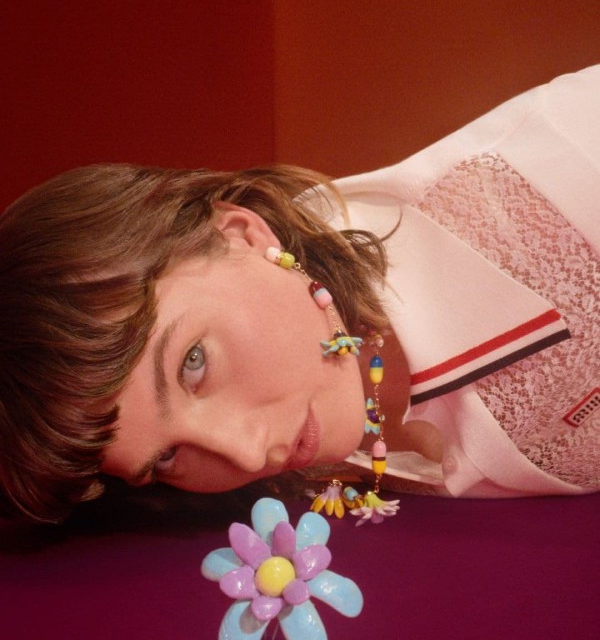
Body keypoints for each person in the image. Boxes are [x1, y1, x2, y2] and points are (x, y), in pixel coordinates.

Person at [1, 66, 599, 523]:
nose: (247, 455)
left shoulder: (569, 166)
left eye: (193, 361)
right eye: (165, 458)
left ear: (241, 233)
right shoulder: (296, 476)